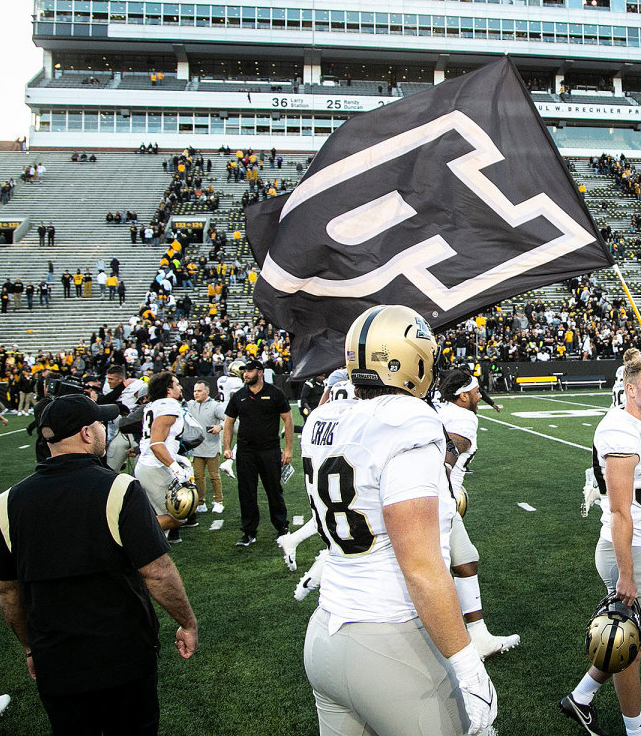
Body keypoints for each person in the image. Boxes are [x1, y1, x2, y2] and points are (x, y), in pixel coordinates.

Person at [299, 305, 497, 735]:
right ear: (412, 359)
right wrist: (468, 665)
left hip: (324, 635)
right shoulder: (407, 421)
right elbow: (422, 569)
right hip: (389, 638)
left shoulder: (323, 417)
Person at [0, 394, 197, 735]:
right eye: (99, 424)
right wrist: (187, 622)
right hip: (122, 653)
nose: (104, 429)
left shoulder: (8, 501)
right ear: (85, 433)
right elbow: (157, 572)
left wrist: (29, 646)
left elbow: (6, 589)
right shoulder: (119, 487)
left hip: (56, 656)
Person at [560, 356, 641, 736]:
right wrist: (626, 573)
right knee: (630, 646)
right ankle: (635, 730)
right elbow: (620, 511)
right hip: (621, 549)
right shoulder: (619, 431)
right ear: (630, 389)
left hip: (638, 543)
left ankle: (582, 695)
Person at [433, 367, 520, 658]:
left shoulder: (441, 408)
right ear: (462, 396)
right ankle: (446, 639)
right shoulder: (463, 419)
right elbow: (446, 458)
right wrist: (444, 492)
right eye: (475, 391)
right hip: (437, 499)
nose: (479, 395)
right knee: (434, 569)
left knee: (466, 560)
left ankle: (479, 636)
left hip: (437, 497)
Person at [223, 359, 293, 547]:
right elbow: (228, 421)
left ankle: (282, 527)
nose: (245, 374)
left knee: (274, 490)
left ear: (260, 372)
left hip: (269, 450)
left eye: (249, 371)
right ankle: (248, 532)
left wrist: (288, 448)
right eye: (244, 371)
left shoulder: (275, 393)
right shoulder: (239, 396)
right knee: (246, 492)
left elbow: (287, 419)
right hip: (246, 452)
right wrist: (227, 447)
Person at [136, 372, 201, 543]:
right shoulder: (169, 405)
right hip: (155, 466)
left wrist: (180, 461)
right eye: (177, 384)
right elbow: (156, 444)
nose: (180, 387)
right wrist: (176, 468)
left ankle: (152, 551)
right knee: (178, 515)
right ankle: (131, 537)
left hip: (150, 464)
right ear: (168, 390)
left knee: (162, 514)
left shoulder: (153, 405)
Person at [185, 380, 226, 514]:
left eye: (199, 391)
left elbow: (230, 419)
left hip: (212, 447)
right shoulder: (190, 405)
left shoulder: (216, 406)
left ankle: (218, 501)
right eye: (195, 391)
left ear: (207, 392)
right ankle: (201, 502)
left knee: (214, 476)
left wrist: (220, 427)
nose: (196, 393)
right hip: (196, 448)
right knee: (198, 477)